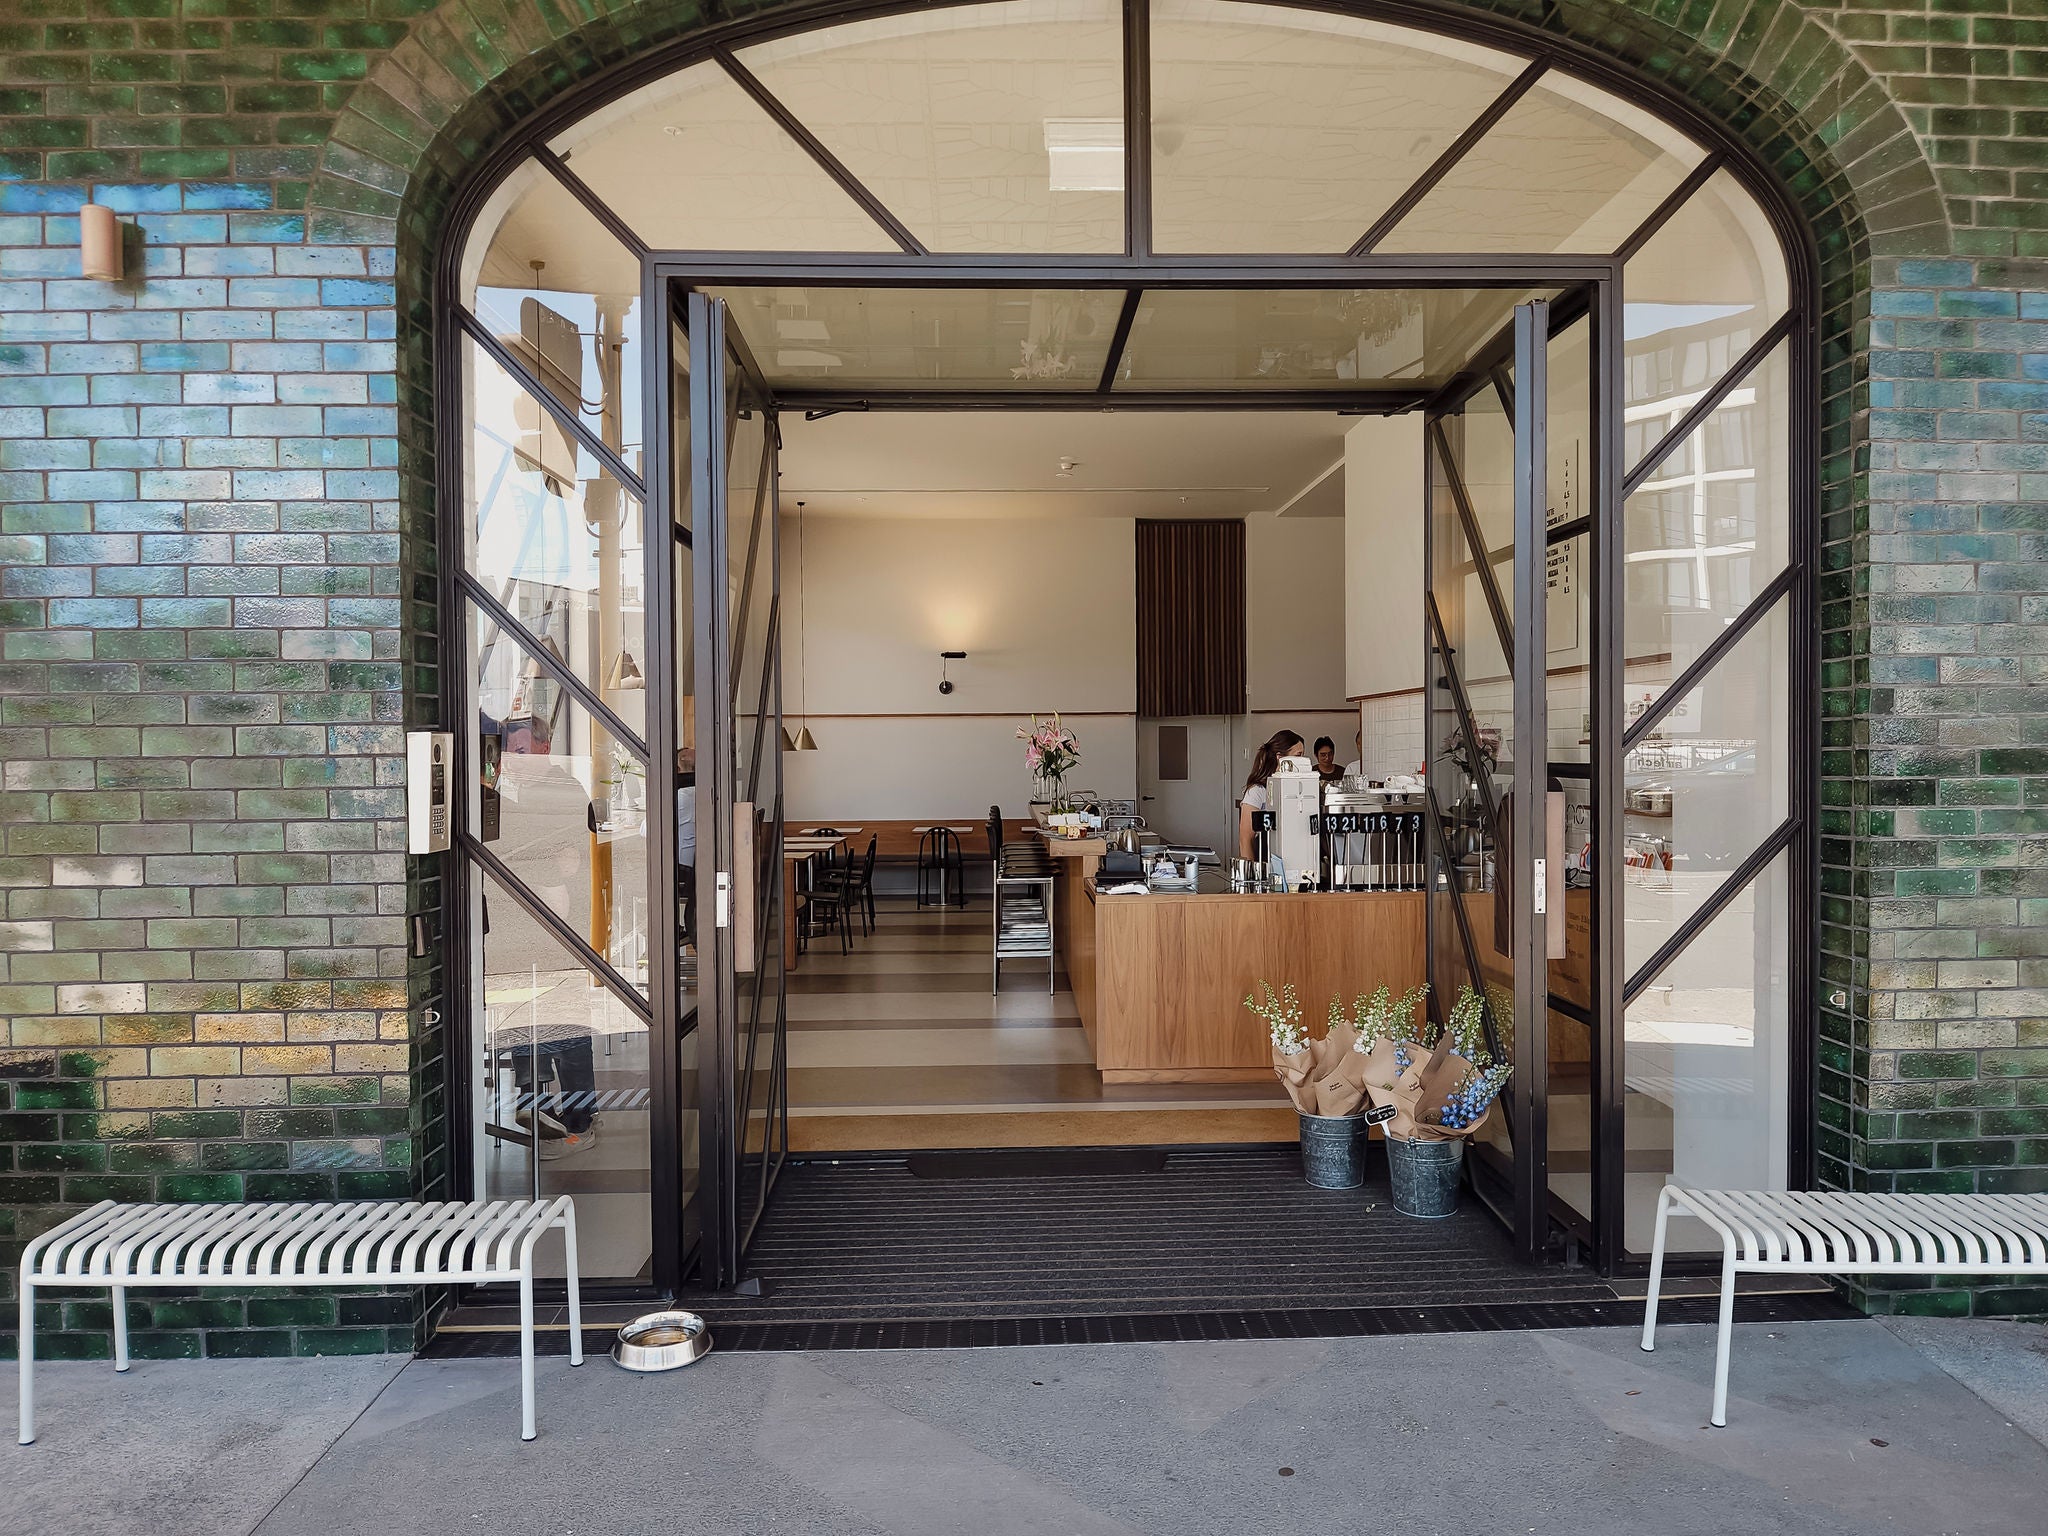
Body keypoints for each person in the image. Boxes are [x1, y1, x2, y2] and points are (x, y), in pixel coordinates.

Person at [1238, 729, 1305, 859]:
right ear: (1280, 757)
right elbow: (1245, 839)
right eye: (1298, 756)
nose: (1302, 761)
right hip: (1265, 859)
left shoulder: (1298, 790)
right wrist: (1253, 875)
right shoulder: (1257, 791)